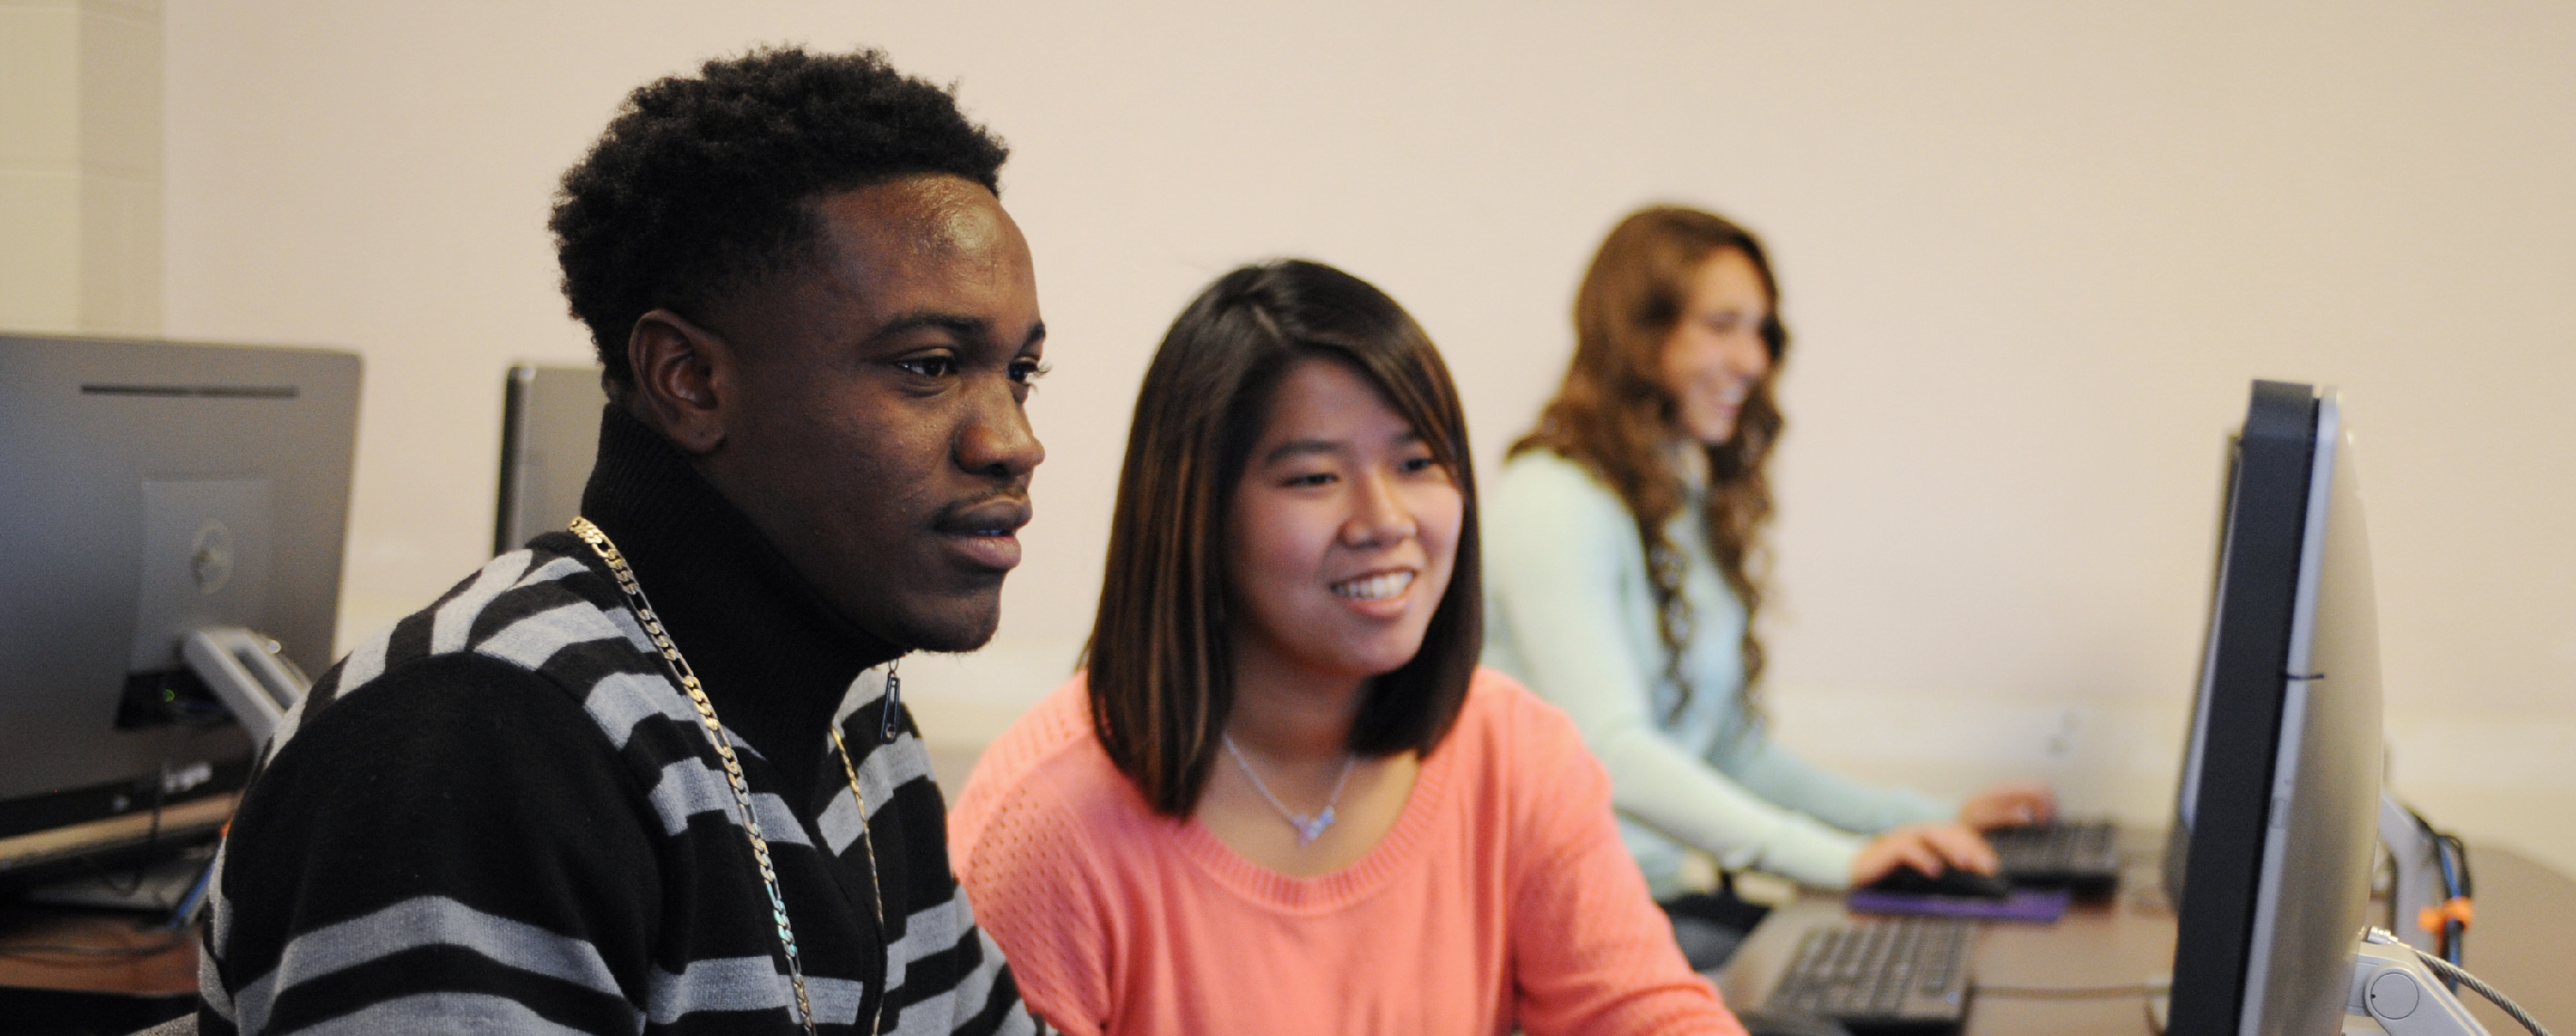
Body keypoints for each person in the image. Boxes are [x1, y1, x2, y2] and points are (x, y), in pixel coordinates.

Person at [197, 47, 1044, 1035]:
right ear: (689, 381)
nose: (1012, 441)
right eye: (930, 366)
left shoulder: (860, 728)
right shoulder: (468, 744)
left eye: (1020, 373)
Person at [947, 260, 1747, 1035]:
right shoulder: (1048, 819)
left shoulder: (1514, 752)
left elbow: (1638, 1011)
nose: (1385, 518)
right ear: (1198, 513)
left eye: (1416, 462)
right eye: (1313, 478)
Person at [1481, 206, 2055, 966]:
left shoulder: (1670, 502)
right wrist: (1837, 861)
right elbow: (1611, 751)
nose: (1752, 360)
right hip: (1555, 925)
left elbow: (1733, 753)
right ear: (1639, 334)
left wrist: (1917, 820)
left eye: (1759, 331)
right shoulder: (1552, 499)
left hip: (1647, 898)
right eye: (1721, 324)